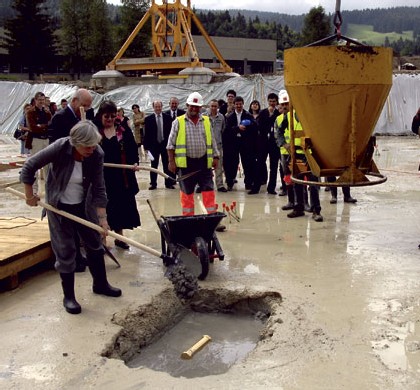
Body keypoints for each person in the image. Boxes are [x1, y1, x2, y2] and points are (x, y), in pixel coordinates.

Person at [20, 120, 121, 315]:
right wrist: (29, 195)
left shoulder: (96, 154)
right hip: (58, 207)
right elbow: (29, 167)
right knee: (65, 249)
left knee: (94, 243)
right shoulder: (60, 147)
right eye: (87, 146)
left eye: (94, 145)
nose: (92, 149)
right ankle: (69, 297)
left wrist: (102, 218)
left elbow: (100, 188)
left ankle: (100, 284)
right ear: (75, 142)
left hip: (84, 205)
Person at [167, 92, 225, 231]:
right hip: (186, 165)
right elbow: (170, 144)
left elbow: (212, 141)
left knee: (208, 191)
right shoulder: (178, 122)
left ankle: (212, 220)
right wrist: (171, 162)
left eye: (197, 107)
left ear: (200, 108)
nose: (194, 109)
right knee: (187, 195)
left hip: (203, 163)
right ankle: (189, 221)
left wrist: (215, 157)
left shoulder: (206, 121)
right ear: (187, 106)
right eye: (192, 106)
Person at [94, 101, 141, 250]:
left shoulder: (123, 130)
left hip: (121, 176)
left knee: (120, 207)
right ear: (101, 116)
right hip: (101, 176)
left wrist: (134, 163)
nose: (109, 119)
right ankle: (102, 238)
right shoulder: (94, 131)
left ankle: (119, 237)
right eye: (106, 116)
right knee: (103, 208)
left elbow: (132, 148)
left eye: (113, 116)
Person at [276, 90, 323, 222]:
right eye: (283, 104)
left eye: (287, 103)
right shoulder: (289, 116)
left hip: (310, 155)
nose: (285, 106)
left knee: (313, 183)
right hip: (295, 155)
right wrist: (283, 144)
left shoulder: (310, 115)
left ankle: (316, 210)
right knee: (296, 181)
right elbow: (279, 131)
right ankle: (299, 208)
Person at [250, 93, 284, 195]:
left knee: (273, 167)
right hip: (263, 143)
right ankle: (256, 187)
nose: (272, 103)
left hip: (274, 144)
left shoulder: (279, 114)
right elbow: (260, 126)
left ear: (276, 102)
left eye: (274, 101)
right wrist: (269, 115)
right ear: (268, 101)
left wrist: (273, 115)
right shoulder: (263, 112)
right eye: (270, 101)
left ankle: (271, 188)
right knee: (259, 164)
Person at [224, 96, 258, 192]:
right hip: (233, 143)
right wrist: (237, 128)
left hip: (245, 142)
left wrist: (248, 126)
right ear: (234, 105)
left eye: (240, 104)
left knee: (247, 163)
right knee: (232, 163)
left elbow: (255, 127)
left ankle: (248, 183)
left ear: (243, 104)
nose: (238, 106)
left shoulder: (248, 115)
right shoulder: (229, 117)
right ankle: (230, 183)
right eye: (237, 104)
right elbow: (227, 131)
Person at [143, 100, 175, 190]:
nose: (158, 108)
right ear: (153, 108)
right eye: (156, 107)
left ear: (162, 107)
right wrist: (146, 147)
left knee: (166, 164)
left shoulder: (168, 118)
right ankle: (153, 184)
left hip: (165, 145)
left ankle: (168, 183)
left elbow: (171, 133)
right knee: (154, 165)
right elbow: (146, 134)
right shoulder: (148, 119)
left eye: (159, 106)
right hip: (153, 146)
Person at [26, 91, 52, 193]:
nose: (41, 102)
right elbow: (33, 128)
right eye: (39, 100)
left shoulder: (46, 112)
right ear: (35, 100)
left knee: (48, 165)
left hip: (46, 139)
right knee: (34, 164)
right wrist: (42, 126)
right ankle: (34, 190)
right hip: (36, 140)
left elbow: (50, 124)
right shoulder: (30, 112)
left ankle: (48, 189)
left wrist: (41, 126)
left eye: (43, 100)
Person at [207, 99, 227, 192]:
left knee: (219, 166)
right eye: (212, 106)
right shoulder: (204, 117)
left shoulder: (221, 117)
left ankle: (219, 185)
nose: (213, 108)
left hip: (218, 146)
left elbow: (223, 130)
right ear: (209, 107)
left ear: (218, 107)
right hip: (206, 146)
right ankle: (205, 184)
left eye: (215, 106)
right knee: (205, 167)